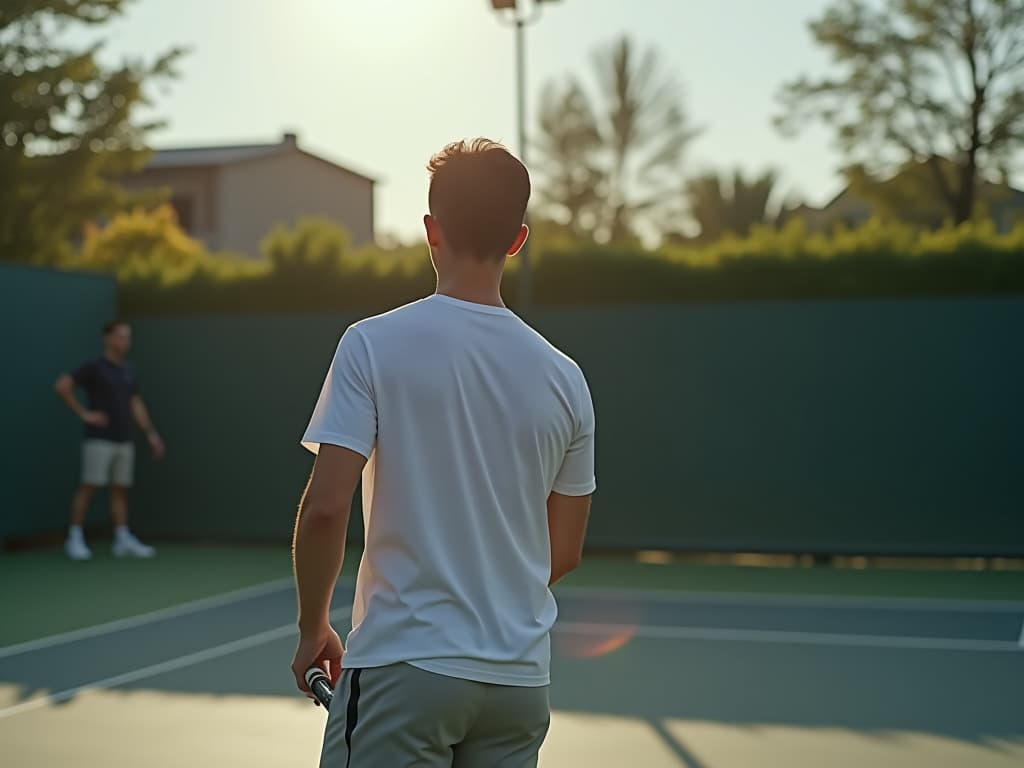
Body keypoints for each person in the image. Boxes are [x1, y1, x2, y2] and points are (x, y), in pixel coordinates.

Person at [291, 138, 596, 767]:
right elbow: (561, 551)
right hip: (517, 687)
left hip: (403, 674)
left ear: (431, 231)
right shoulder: (566, 378)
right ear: (519, 238)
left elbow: (325, 509)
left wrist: (312, 629)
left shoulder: (370, 344)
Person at [54, 320, 165, 560]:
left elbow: (135, 403)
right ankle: (74, 538)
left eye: (128, 336)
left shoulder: (128, 370)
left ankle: (122, 538)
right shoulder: (93, 367)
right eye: (121, 336)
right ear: (108, 339)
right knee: (90, 486)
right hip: (99, 439)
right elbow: (62, 386)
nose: (126, 341)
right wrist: (85, 414)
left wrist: (150, 432)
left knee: (120, 490)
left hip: (123, 439)